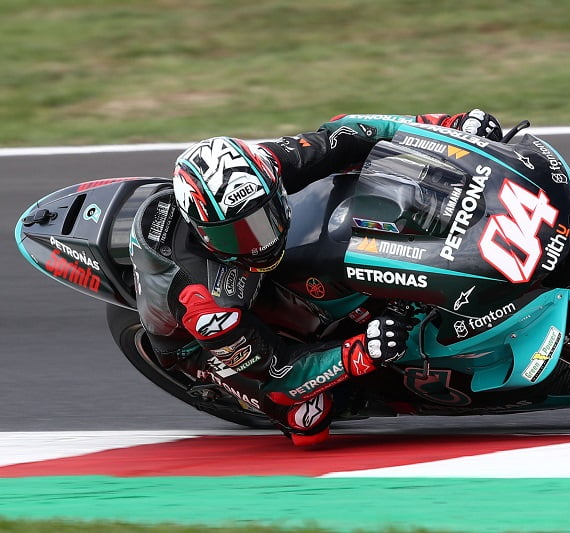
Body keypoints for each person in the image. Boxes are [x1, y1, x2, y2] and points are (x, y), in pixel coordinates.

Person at [129, 110, 503, 446]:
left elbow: (350, 131)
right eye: (237, 234)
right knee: (308, 420)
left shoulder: (265, 167)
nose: (260, 241)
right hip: (202, 344)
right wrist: (361, 351)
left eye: (264, 218)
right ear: (203, 233)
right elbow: (278, 372)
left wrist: (447, 127)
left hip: (250, 279)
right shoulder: (206, 304)